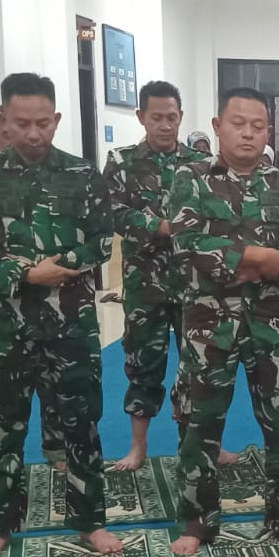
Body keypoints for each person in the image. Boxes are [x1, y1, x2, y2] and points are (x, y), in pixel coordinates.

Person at [0, 73, 122, 557]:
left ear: (57, 120)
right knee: (5, 428)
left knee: (81, 423)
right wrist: (24, 272)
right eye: (21, 123)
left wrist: (59, 268)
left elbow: (101, 240)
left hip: (71, 326)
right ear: (4, 119)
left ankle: (90, 522)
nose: (32, 133)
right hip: (4, 326)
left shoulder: (82, 175)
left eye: (43, 123)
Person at [165, 88, 279, 552]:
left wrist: (278, 262)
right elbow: (184, 243)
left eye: (257, 125)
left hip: (272, 324)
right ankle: (197, 522)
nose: (248, 133)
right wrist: (254, 258)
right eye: (238, 123)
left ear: (268, 132)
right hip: (208, 327)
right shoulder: (190, 179)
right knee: (200, 424)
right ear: (217, 126)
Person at [0, 106, 66, 477]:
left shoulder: (55, 178)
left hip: (51, 302)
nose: (20, 142)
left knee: (55, 381)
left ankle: (57, 448)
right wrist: (24, 272)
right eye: (9, 133)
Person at [104, 80, 204, 472]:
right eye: (157, 117)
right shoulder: (122, 162)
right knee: (143, 365)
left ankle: (196, 448)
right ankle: (137, 446)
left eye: (172, 117)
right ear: (141, 117)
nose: (165, 125)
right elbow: (112, 212)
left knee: (196, 368)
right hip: (144, 285)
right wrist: (158, 226)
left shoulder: (198, 164)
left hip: (192, 284)